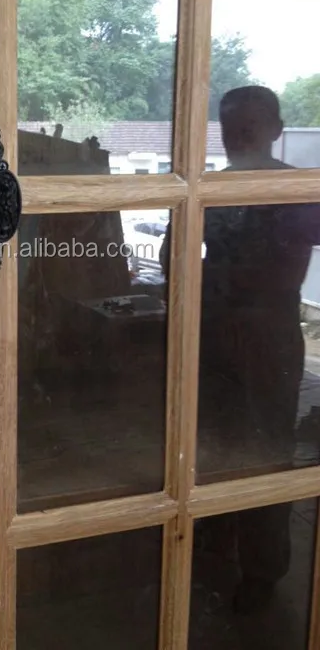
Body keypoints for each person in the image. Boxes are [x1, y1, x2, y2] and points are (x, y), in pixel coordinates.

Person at [162, 86, 320, 613]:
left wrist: (212, 277)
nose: (239, 137)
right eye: (231, 128)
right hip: (212, 334)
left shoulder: (298, 190)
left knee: (266, 451)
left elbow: (277, 273)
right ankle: (212, 538)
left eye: (250, 125)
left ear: (276, 129)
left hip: (267, 337)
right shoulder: (210, 187)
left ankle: (262, 570)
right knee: (208, 438)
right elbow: (170, 259)